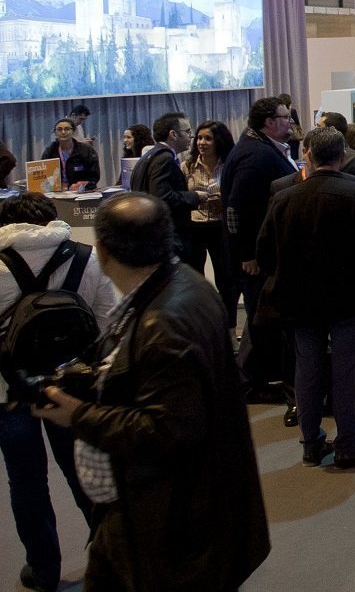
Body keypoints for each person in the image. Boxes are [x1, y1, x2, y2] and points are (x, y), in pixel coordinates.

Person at [31, 194, 269, 590]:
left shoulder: (163, 323)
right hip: (172, 506)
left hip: (169, 519)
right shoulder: (182, 285)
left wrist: (78, 415)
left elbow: (166, 429)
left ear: (102, 250)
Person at [0, 194, 117, 592]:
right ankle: (107, 556)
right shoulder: (87, 258)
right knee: (83, 472)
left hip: (9, 389)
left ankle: (44, 570)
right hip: (71, 384)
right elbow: (105, 325)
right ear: (52, 219)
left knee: (25, 481)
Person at [256, 128, 355, 468]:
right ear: (342, 156)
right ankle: (348, 443)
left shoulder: (283, 197)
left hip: (299, 300)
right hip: (349, 300)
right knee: (345, 372)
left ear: (309, 156)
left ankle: (311, 442)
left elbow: (265, 253)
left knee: (307, 370)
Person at [220, 96, 298, 341]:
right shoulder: (255, 156)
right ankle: (264, 365)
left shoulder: (260, 148)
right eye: (285, 117)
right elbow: (236, 208)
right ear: (269, 122)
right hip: (257, 260)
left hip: (265, 252)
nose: (290, 122)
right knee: (264, 323)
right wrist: (248, 254)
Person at [130, 112, 205, 269]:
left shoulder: (149, 155)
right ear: (173, 134)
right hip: (168, 238)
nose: (191, 137)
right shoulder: (164, 159)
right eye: (188, 132)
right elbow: (162, 197)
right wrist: (195, 196)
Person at [184, 120, 236, 324]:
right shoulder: (187, 166)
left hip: (220, 227)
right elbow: (180, 196)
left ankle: (229, 326)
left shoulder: (229, 165)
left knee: (226, 280)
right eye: (199, 138)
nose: (201, 142)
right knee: (194, 279)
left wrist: (222, 200)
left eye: (208, 138)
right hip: (194, 227)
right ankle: (199, 324)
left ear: (219, 141)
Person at [41, 117, 99, 191]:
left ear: (73, 131)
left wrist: (82, 186)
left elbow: (94, 177)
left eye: (67, 129)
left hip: (81, 192)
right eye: (59, 129)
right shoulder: (50, 151)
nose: (63, 132)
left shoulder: (86, 150)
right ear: (55, 132)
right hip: (57, 192)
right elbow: (44, 175)